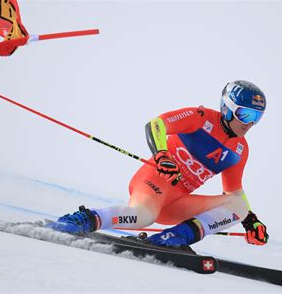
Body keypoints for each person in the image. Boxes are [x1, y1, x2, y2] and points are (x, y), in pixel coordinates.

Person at [46, 80, 269, 247]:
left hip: (178, 202)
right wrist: (162, 154)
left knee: (238, 206)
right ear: (227, 107)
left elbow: (234, 192)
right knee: (143, 216)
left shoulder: (240, 149)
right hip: (154, 183)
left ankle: (173, 238)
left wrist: (251, 221)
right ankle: (81, 220)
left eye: (256, 118)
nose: (249, 123)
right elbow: (156, 125)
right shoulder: (201, 118)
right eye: (245, 114)